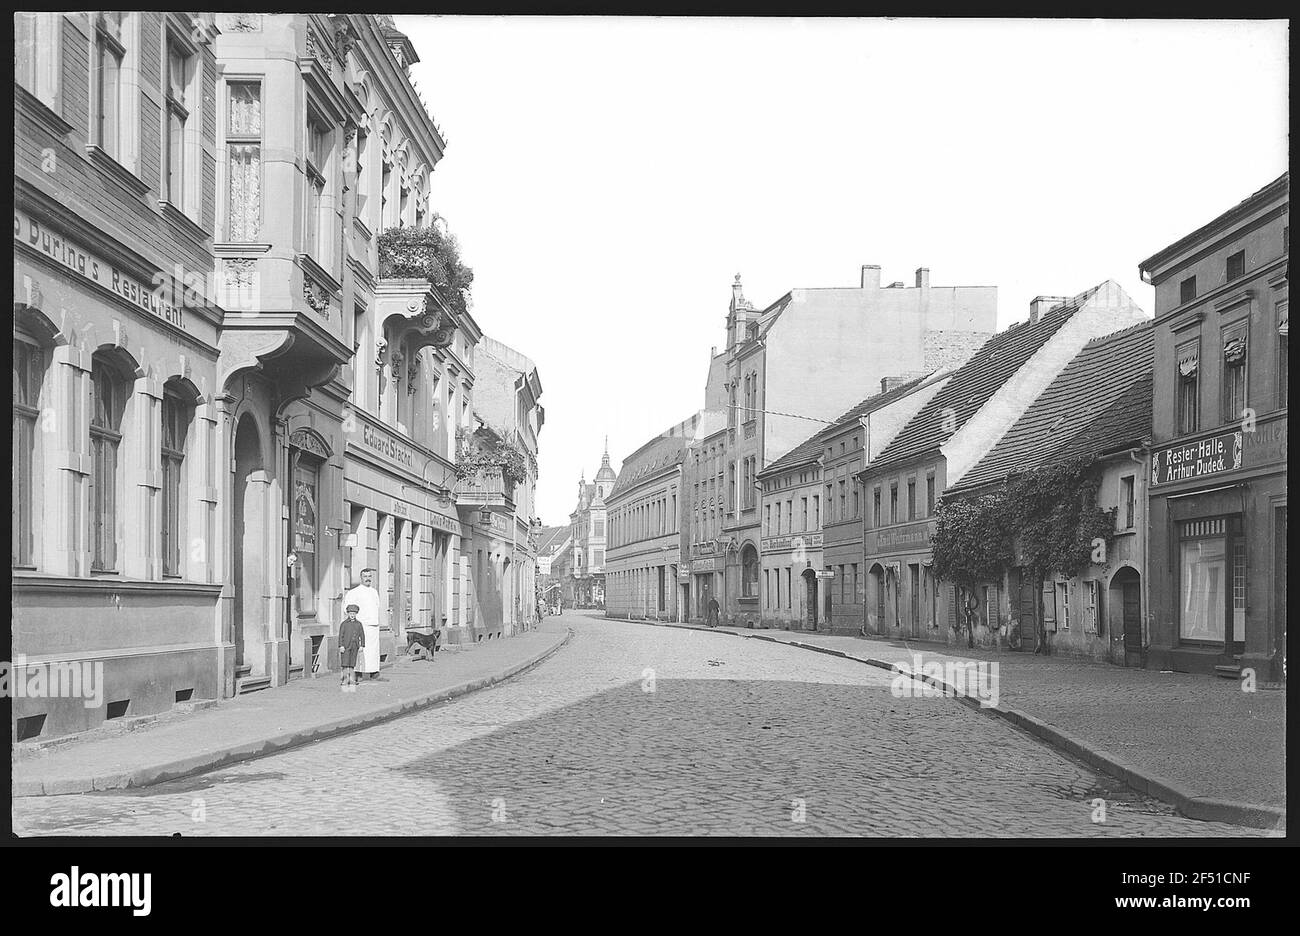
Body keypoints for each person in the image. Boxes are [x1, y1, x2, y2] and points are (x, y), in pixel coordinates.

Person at [343, 568, 383, 680]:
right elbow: (347, 608)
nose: (368, 579)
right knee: (361, 650)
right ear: (361, 578)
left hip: (373, 626)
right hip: (362, 625)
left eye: (369, 576)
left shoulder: (374, 592)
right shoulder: (354, 592)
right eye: (365, 576)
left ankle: (374, 672)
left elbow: (377, 606)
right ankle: (358, 672)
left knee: (373, 651)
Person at [338, 603, 366, 689]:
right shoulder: (344, 624)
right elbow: (340, 636)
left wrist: (362, 646)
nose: (352, 615)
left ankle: (352, 679)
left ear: (356, 614)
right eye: (350, 614)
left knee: (352, 663)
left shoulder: (359, 624)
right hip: (346, 646)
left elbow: (362, 635)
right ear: (348, 614)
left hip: (355, 646)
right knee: (345, 663)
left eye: (354, 614)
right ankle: (345, 680)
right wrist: (341, 646)